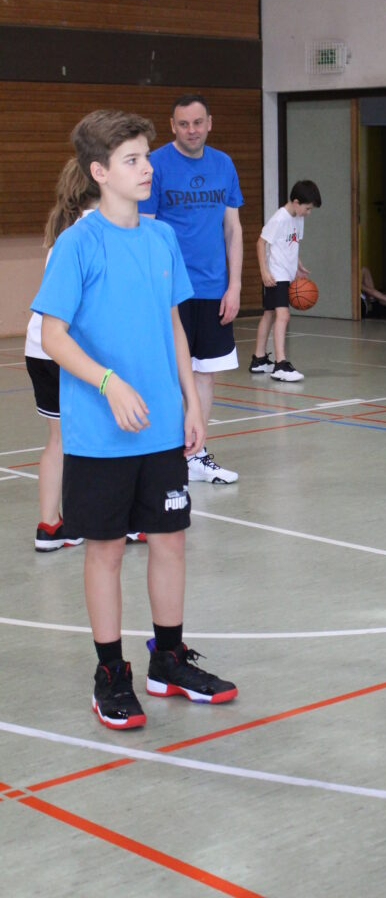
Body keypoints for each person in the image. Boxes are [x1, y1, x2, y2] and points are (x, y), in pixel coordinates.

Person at [32, 109, 237, 730]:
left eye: (147, 157)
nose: (148, 168)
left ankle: (168, 660)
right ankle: (110, 673)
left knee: (171, 541)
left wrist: (191, 401)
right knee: (106, 552)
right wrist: (107, 381)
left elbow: (173, 324)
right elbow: (53, 335)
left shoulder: (161, 237)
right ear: (100, 172)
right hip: (101, 433)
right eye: (133, 160)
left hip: (161, 426)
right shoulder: (79, 243)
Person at [25, 161, 145, 551]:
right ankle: (123, 522)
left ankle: (50, 526)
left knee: (59, 439)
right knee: (112, 436)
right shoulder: (99, 232)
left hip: (39, 347)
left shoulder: (64, 230)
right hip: (71, 350)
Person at [139, 93, 243, 484]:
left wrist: (234, 285)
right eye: (183, 124)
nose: (191, 130)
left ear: (209, 123)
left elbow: (232, 228)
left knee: (205, 374)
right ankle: (164, 457)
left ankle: (195, 455)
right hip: (172, 291)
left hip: (213, 289)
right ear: (172, 126)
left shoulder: (224, 164)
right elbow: (146, 230)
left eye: (198, 122)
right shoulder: (156, 165)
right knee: (169, 375)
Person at [250, 180, 322, 382]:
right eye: (307, 208)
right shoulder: (280, 218)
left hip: (286, 274)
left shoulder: (298, 218)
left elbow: (291, 244)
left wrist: (297, 265)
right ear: (296, 202)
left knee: (269, 314)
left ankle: (259, 359)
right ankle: (280, 364)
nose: (308, 213)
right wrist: (264, 272)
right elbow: (260, 243)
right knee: (283, 316)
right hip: (276, 274)